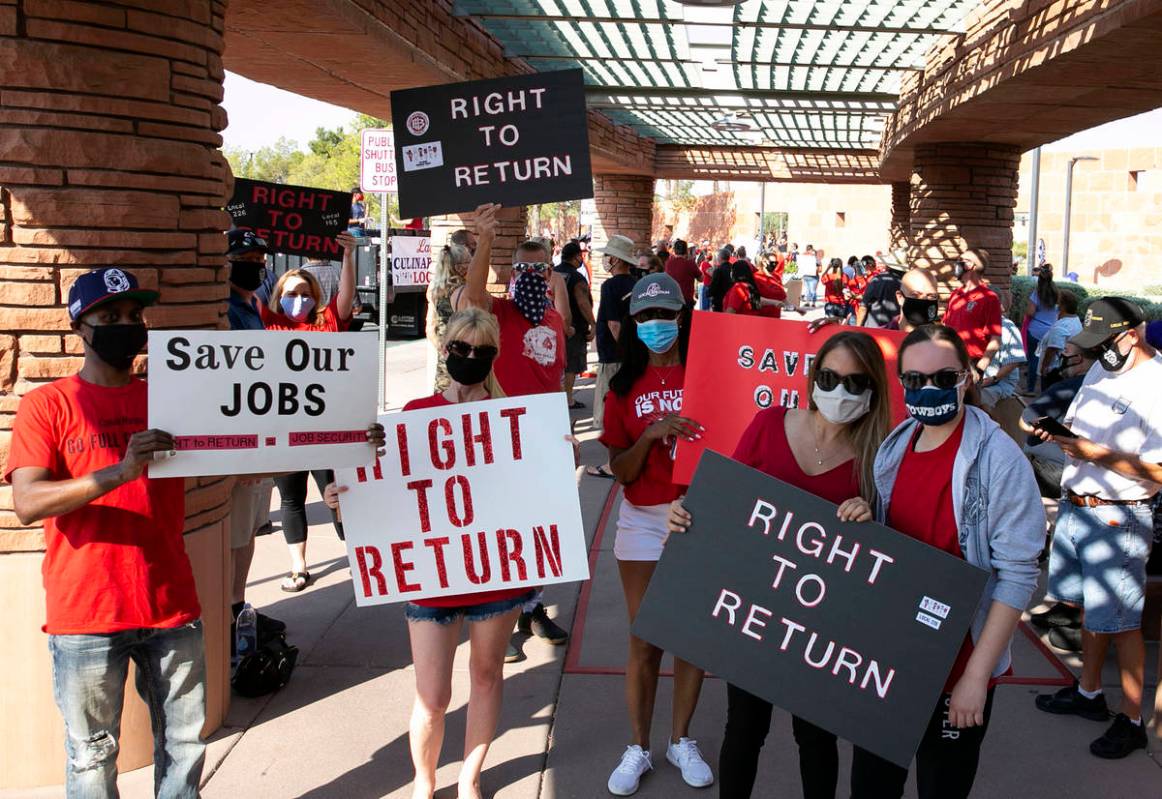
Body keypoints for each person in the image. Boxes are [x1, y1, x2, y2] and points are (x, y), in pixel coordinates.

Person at [6, 268, 207, 798]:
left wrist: (345, 440)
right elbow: (27, 501)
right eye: (109, 316)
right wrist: (118, 471)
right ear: (81, 326)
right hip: (87, 612)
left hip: (171, 603)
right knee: (93, 759)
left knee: (185, 748)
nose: (126, 325)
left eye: (134, 316)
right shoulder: (47, 405)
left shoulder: (171, 398)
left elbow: (246, 452)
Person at [668, 331, 894, 799]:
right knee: (744, 728)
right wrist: (689, 512)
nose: (840, 391)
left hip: (824, 627)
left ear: (872, 391)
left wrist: (873, 518)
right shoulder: (770, 423)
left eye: (855, 383)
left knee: (816, 738)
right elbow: (727, 498)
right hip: (756, 611)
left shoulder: (879, 458)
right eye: (830, 377)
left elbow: (890, 549)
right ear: (813, 379)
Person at [833, 324, 1044, 798]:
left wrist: (975, 677)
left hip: (958, 665)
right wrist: (869, 518)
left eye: (943, 377)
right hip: (889, 661)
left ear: (966, 378)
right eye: (914, 380)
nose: (928, 389)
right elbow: (896, 545)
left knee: (942, 786)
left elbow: (1016, 574)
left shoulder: (1000, 461)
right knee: (871, 784)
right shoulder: (897, 443)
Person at [387, 307, 533, 799]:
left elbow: (532, 492)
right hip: (433, 571)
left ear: (494, 356)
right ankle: (423, 781)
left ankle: (469, 779)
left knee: (487, 676)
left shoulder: (510, 417)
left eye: (482, 351)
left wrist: (556, 457)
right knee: (433, 695)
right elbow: (390, 491)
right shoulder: (416, 414)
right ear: (445, 349)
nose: (471, 357)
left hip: (496, 571)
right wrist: (347, 497)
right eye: (461, 349)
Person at [1033, 298, 1162, 759]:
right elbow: (1084, 430)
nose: (1096, 353)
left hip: (1118, 514)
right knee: (1090, 608)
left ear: (1132, 333)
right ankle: (1088, 693)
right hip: (1078, 503)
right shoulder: (1103, 367)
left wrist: (1095, 454)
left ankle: (1131, 720)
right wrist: (1061, 437)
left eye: (1104, 343)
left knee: (1122, 623)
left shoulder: (1156, 383)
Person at [602, 274, 712, 796]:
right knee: (645, 637)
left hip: (698, 517)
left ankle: (681, 739)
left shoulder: (707, 373)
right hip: (643, 518)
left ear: (682, 314)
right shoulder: (622, 388)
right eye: (645, 317)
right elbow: (620, 470)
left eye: (664, 314)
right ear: (633, 324)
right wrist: (650, 433)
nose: (655, 325)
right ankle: (639, 747)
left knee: (691, 634)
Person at [452, 204, 570, 657]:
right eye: (522, 269)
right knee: (502, 532)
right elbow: (473, 296)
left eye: (539, 270)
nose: (531, 276)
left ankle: (531, 608)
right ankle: (496, 621)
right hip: (501, 437)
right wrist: (484, 238)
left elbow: (556, 377)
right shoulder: (497, 311)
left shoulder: (555, 321)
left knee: (538, 530)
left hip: (543, 441)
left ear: (550, 273)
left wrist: (564, 435)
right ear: (511, 273)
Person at [263, 232, 358, 591]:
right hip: (284, 429)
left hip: (326, 428)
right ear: (279, 298)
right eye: (291, 294)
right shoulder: (268, 324)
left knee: (338, 493)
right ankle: (298, 566)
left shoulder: (327, 320)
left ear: (315, 297)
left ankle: (360, 555)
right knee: (291, 497)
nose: (298, 299)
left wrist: (348, 255)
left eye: (305, 293)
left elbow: (346, 299)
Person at [224, 229, 285, 639]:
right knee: (234, 535)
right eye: (246, 257)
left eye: (261, 258)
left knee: (249, 532)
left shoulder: (254, 306)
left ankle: (237, 607)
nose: (256, 265)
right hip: (238, 446)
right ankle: (228, 614)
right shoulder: (222, 312)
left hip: (260, 443)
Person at [588, 234, 640, 481]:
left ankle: (613, 463)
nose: (605, 260)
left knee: (609, 411)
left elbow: (613, 323)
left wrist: (623, 351)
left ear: (616, 260)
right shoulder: (636, 283)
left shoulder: (610, 286)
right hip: (632, 354)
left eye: (608, 256)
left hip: (613, 357)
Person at [942, 249, 1002, 379]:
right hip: (948, 359)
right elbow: (945, 325)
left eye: (960, 261)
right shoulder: (956, 294)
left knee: (970, 399)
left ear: (970, 265)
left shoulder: (989, 298)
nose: (956, 265)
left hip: (971, 364)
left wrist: (980, 369)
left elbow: (995, 339)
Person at [426, 240, 473, 392]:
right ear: (460, 268)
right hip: (464, 360)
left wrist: (443, 350)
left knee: (442, 403)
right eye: (469, 261)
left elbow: (430, 329)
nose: (472, 265)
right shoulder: (464, 292)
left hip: (444, 362)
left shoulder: (434, 289)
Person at [555, 240, 596, 409]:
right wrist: (592, 324)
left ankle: (557, 396)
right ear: (577, 257)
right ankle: (568, 399)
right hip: (574, 327)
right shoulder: (577, 278)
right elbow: (582, 303)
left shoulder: (554, 274)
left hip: (554, 325)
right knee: (571, 364)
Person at [978, 292, 1027, 411]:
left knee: (979, 401)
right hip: (978, 381)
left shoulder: (1007, 327)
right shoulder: (975, 325)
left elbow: (1013, 362)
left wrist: (992, 379)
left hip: (999, 383)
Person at [1023, 263, 1060, 393]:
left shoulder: (1036, 293)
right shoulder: (1057, 293)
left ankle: (1030, 389)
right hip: (1052, 331)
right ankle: (1047, 390)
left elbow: (1030, 312)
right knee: (1049, 361)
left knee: (1034, 360)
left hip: (1035, 330)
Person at [1036, 290, 1082, 391]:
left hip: (1054, 371)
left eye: (1058, 302)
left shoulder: (1061, 326)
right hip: (1067, 367)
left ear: (1063, 306)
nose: (1055, 305)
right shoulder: (1075, 320)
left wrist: (1044, 367)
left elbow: (1052, 349)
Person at [857, 253, 905, 328]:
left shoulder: (877, 279)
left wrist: (858, 328)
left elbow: (863, 307)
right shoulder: (906, 283)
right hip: (895, 329)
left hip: (874, 328)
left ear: (888, 266)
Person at [665, 239, 700, 308]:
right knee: (686, 318)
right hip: (686, 299)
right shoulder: (690, 263)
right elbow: (701, 278)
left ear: (674, 250)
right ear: (686, 251)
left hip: (671, 298)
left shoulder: (668, 263)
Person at [708, 248, 735, 313]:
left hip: (720, 300)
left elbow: (713, 285)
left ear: (720, 258)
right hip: (731, 299)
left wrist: (709, 293)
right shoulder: (733, 268)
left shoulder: (718, 270)